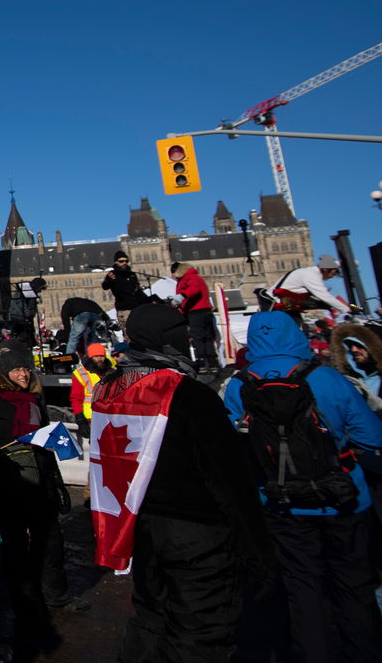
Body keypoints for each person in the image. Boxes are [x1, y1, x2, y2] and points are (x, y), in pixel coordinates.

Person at [91, 304, 272, 662]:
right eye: (179, 331)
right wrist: (259, 549)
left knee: (149, 618)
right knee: (200, 631)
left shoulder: (108, 389)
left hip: (138, 526)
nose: (188, 338)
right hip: (196, 532)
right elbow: (228, 478)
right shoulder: (186, 392)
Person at [224, 311, 382, 662]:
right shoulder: (327, 378)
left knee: (302, 590)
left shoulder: (237, 385)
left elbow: (231, 449)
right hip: (345, 501)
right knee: (355, 588)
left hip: (282, 505)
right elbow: (372, 440)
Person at [0, 342, 82, 647]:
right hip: (9, 480)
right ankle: (24, 605)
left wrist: (58, 486)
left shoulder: (35, 399)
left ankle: (56, 595)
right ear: (5, 373)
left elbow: (47, 443)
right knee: (15, 545)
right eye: (17, 369)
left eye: (25, 368)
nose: (22, 374)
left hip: (40, 478)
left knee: (51, 542)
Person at [265, 254, 355, 318]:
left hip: (285, 304)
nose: (332, 277)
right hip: (278, 305)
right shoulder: (311, 276)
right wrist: (347, 310)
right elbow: (325, 297)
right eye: (333, 273)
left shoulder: (309, 272)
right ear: (327, 270)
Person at [170, 261, 220, 373]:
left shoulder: (190, 277)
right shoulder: (193, 276)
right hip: (203, 310)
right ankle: (212, 362)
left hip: (197, 312)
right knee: (207, 337)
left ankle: (202, 362)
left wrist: (182, 296)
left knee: (198, 337)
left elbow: (194, 289)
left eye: (173, 272)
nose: (172, 275)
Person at [69, 342, 112, 439]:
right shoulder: (81, 374)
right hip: (91, 419)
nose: (100, 359)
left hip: (110, 418)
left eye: (102, 356)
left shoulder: (112, 372)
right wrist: (80, 419)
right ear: (90, 357)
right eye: (96, 356)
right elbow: (76, 399)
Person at [101, 250, 151, 326]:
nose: (124, 263)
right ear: (116, 262)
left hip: (137, 308)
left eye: (126, 261)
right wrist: (108, 279)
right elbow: (105, 286)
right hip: (124, 309)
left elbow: (137, 291)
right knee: (128, 333)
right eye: (121, 261)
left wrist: (149, 301)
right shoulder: (113, 274)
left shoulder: (131, 274)